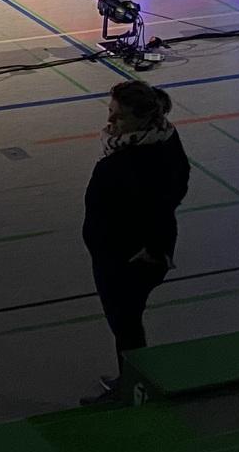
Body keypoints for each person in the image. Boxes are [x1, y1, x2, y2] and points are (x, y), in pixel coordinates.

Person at [81, 81, 190, 403]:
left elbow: (162, 201)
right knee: (127, 322)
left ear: (142, 119)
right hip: (127, 253)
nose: (110, 124)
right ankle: (131, 380)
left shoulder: (131, 163)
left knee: (125, 324)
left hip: (128, 259)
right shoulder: (164, 139)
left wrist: (149, 249)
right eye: (110, 114)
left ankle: (132, 390)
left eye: (119, 118)